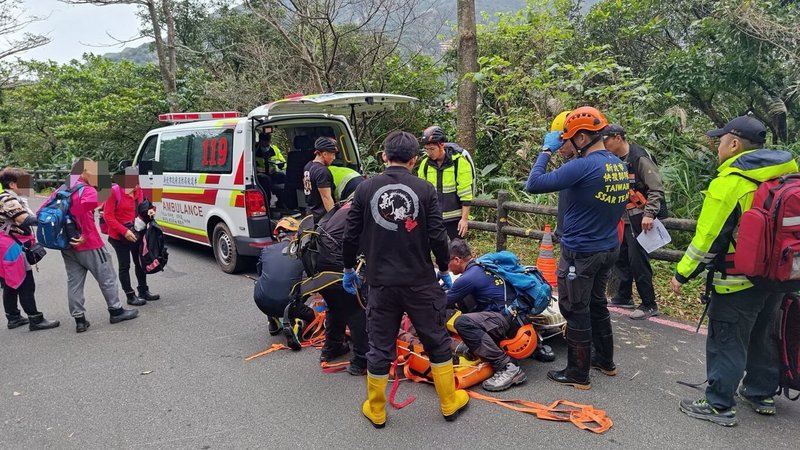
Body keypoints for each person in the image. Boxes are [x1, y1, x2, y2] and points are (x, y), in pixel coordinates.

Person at [672, 116, 797, 426]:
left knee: (727, 338)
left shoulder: (731, 183)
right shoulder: (787, 176)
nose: (717, 147)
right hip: (777, 278)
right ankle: (760, 393)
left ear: (734, 144)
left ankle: (718, 404)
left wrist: (682, 274)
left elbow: (708, 239)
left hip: (737, 281)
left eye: (720, 141)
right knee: (763, 334)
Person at [342, 130, 468, 428]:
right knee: (435, 339)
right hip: (420, 282)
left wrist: (349, 268)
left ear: (384, 156)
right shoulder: (425, 190)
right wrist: (443, 269)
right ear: (414, 159)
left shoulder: (365, 189)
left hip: (381, 283)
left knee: (380, 345)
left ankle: (376, 409)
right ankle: (449, 402)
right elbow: (438, 236)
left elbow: (350, 235)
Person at [524, 106, 628, 390]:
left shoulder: (582, 166)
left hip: (581, 252)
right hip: (608, 247)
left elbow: (533, 184)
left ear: (582, 138)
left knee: (575, 307)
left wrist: (546, 150)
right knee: (597, 303)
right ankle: (604, 360)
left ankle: (577, 373)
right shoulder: (616, 163)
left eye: (567, 139)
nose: (563, 144)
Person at [446, 239, 556, 392]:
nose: (447, 267)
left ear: (457, 260)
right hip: (519, 317)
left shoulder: (467, 278)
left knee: (463, 322)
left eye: (447, 262)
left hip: (505, 321)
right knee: (466, 302)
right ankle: (537, 347)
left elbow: (441, 303)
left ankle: (507, 367)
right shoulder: (485, 265)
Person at [59, 159, 139, 333]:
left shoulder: (63, 188)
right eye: (95, 172)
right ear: (84, 172)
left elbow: (46, 211)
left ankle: (79, 320)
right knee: (107, 276)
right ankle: (116, 310)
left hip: (67, 245)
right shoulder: (85, 190)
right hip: (89, 244)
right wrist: (85, 235)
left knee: (74, 283)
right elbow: (86, 214)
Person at [603, 124, 667, 319]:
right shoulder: (612, 159)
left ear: (618, 138)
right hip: (621, 219)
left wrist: (649, 213)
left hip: (640, 217)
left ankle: (649, 303)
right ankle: (624, 296)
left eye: (606, 140)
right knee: (620, 258)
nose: (603, 144)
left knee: (638, 260)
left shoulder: (639, 157)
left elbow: (656, 188)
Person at [0, 168, 60, 331]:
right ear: (12, 184)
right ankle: (35, 319)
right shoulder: (7, 199)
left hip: (8, 245)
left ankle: (13, 317)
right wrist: (51, 216)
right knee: (25, 282)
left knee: (10, 282)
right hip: (11, 247)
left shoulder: (12, 198)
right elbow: (24, 220)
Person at [314, 201, 368, 375]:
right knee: (356, 308)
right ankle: (361, 361)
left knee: (336, 304)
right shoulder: (370, 207)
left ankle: (333, 347)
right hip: (337, 259)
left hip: (318, 257)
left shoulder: (348, 204)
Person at [254, 218, 316, 348]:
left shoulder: (266, 250)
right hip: (289, 304)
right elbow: (312, 277)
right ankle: (297, 323)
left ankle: (273, 322)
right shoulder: (301, 252)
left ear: (277, 236)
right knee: (311, 316)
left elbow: (261, 274)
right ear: (296, 235)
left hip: (262, 302)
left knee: (264, 283)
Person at [103, 170, 159, 307]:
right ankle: (130, 295)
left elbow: (147, 206)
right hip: (119, 236)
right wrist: (124, 231)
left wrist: (151, 211)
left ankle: (143, 290)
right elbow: (108, 217)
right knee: (125, 265)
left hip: (137, 232)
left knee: (140, 262)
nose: (137, 185)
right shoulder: (114, 192)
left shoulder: (139, 191)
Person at [417, 126, 474, 240]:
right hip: (433, 219)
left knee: (456, 252)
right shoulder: (425, 164)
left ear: (441, 145)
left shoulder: (458, 162)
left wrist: (464, 219)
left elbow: (466, 194)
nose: (429, 153)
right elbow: (421, 193)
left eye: (432, 149)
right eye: (426, 149)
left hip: (454, 219)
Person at [303, 137, 337, 223]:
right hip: (322, 217)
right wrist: (335, 220)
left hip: (311, 214)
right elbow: (326, 199)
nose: (334, 158)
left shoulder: (308, 166)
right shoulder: (322, 171)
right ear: (324, 154)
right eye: (332, 154)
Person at [255, 131, 286, 208]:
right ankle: (267, 205)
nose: (267, 144)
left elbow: (283, 162)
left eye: (268, 142)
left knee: (282, 176)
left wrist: (280, 165)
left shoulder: (274, 149)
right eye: (264, 142)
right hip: (259, 174)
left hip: (272, 173)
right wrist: (259, 170)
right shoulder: (254, 150)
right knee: (265, 180)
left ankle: (282, 202)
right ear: (260, 141)